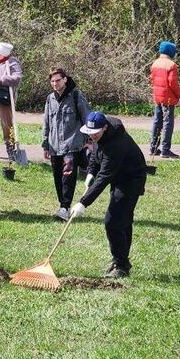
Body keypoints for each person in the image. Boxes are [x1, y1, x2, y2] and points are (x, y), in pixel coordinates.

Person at [69, 111, 147, 279]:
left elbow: (104, 176)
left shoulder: (116, 144)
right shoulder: (100, 135)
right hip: (119, 177)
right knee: (122, 221)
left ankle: (121, 265)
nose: (92, 136)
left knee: (113, 222)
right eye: (90, 133)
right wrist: (91, 171)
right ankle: (121, 262)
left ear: (104, 128)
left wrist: (83, 202)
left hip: (131, 180)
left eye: (95, 133)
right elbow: (96, 153)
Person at [41, 68, 91, 221]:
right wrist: (45, 144)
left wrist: (89, 141)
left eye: (58, 80)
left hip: (72, 143)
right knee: (57, 176)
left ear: (65, 79)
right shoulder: (50, 99)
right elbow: (46, 122)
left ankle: (65, 207)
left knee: (68, 175)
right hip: (54, 145)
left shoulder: (76, 96)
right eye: (52, 81)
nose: (55, 84)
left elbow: (87, 119)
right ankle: (62, 205)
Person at [0, 42, 23, 160]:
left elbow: (17, 78)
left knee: (7, 125)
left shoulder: (12, 63)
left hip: (4, 99)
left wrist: (2, 79)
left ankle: (11, 148)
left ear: (3, 54)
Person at [149, 40, 180, 158]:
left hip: (157, 96)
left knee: (157, 120)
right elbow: (172, 83)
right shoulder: (171, 65)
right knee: (168, 122)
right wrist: (179, 94)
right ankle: (165, 149)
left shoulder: (155, 63)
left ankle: (153, 147)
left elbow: (152, 79)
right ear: (171, 52)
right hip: (168, 97)